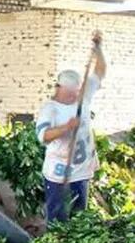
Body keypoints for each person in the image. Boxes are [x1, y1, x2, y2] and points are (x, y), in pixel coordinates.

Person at [35, 31, 106, 223]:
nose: (75, 98)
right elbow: (43, 136)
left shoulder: (83, 95)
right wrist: (66, 127)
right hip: (59, 173)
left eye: (76, 93)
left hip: (82, 170)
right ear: (60, 89)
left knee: (79, 217)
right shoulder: (50, 109)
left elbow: (100, 71)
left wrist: (98, 49)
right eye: (70, 94)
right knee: (57, 217)